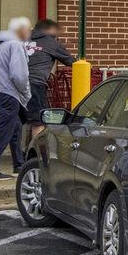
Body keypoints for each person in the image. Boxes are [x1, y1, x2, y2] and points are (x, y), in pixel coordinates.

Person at [0, 17, 32, 180]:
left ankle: (19, 165)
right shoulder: (16, 45)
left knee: (15, 126)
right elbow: (19, 75)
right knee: (5, 129)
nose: (29, 33)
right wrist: (25, 93)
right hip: (9, 92)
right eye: (28, 29)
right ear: (20, 30)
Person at [24, 18, 75, 154]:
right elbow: (72, 62)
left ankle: (19, 158)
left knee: (17, 122)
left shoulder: (23, 40)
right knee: (39, 120)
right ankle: (36, 155)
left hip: (15, 84)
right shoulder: (52, 43)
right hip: (35, 84)